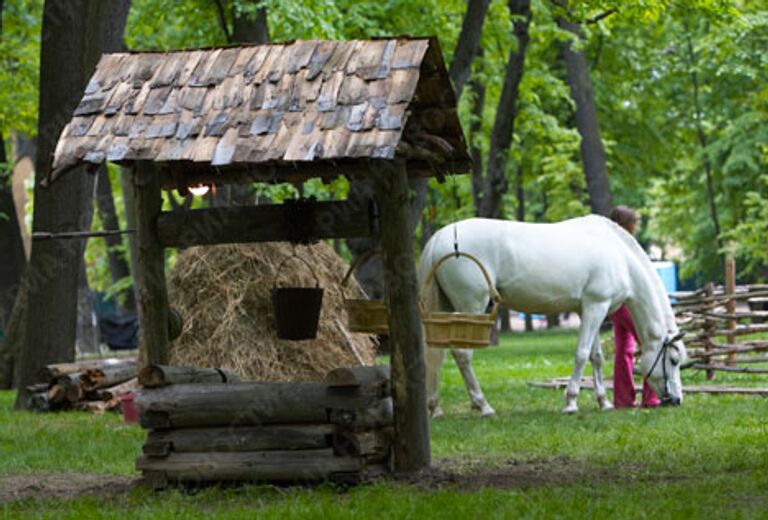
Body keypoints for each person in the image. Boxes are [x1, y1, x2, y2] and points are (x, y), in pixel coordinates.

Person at [609, 206, 660, 408]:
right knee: (649, 344)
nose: (636, 226)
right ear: (627, 225)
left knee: (623, 349)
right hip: (628, 301)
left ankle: (623, 399)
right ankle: (651, 397)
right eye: (634, 222)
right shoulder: (627, 246)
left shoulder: (607, 244)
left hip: (615, 305)